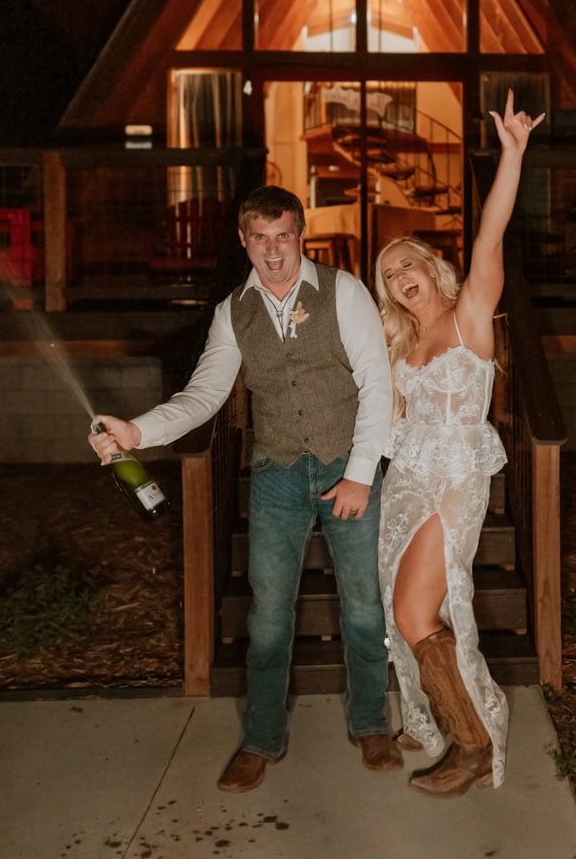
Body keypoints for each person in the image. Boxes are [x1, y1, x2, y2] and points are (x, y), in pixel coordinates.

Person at [89, 185, 401, 791]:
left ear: (300, 234)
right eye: (260, 238)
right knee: (267, 617)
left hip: (347, 465)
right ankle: (262, 738)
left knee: (364, 606)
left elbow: (377, 385)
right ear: (244, 241)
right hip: (277, 474)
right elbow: (204, 395)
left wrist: (361, 473)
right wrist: (137, 430)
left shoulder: (344, 291)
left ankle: (370, 724)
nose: (274, 251)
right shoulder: (234, 310)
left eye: (283, 236)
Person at [374, 90, 544, 798]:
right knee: (402, 608)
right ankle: (433, 712)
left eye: (406, 263)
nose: (399, 278)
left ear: (431, 264)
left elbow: (490, 236)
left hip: (454, 480)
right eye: (387, 277)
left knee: (417, 612)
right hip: (407, 480)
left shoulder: (471, 315)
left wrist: (512, 155)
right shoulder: (403, 343)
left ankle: (471, 744)